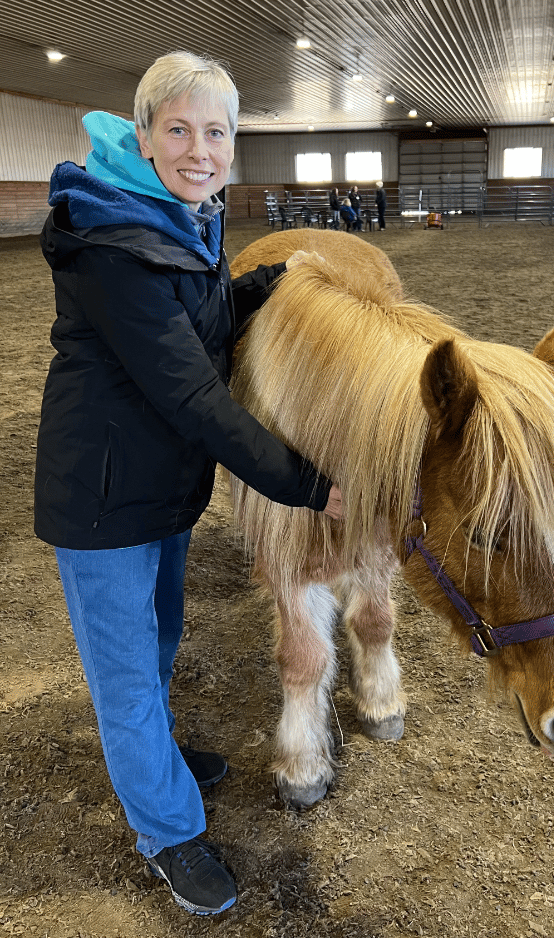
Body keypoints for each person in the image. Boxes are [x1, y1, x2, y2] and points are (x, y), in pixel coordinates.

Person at [35, 51, 343, 918]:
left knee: (160, 638)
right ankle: (167, 832)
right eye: (179, 129)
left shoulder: (174, 214)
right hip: (103, 502)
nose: (200, 149)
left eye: (217, 132)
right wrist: (313, 489)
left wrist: (272, 282)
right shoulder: (111, 237)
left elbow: (198, 318)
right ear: (143, 135)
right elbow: (192, 393)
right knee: (126, 677)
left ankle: (158, 752)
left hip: (154, 487)